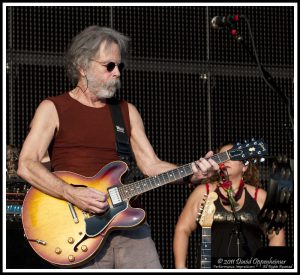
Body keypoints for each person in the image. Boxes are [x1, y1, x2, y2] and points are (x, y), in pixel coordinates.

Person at [17, 25, 219, 269]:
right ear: (83, 66)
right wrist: (71, 193)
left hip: (129, 226)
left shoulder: (126, 111)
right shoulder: (52, 108)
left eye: (120, 66)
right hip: (77, 230)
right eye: (109, 66)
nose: (117, 73)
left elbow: (151, 164)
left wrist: (191, 174)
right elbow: (27, 165)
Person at [173, 142, 286, 269]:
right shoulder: (202, 192)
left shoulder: (260, 196)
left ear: (244, 166)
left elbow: (277, 236)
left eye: (231, 156)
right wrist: (180, 267)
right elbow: (182, 229)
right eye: (221, 156)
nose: (225, 160)